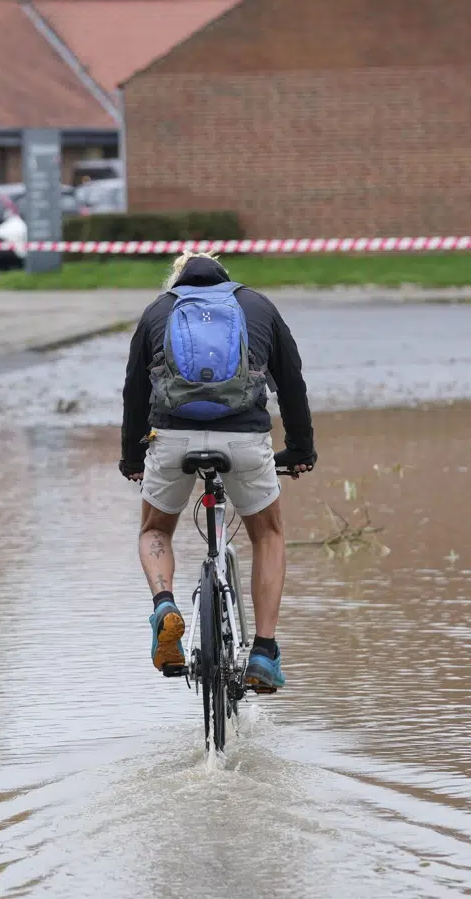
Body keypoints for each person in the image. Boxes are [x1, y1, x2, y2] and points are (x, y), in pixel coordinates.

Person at [120, 252, 316, 692]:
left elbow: (135, 392)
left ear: (177, 280)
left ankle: (165, 606)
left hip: (172, 439)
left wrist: (133, 459)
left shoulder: (158, 310)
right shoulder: (258, 306)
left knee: (155, 530)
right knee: (267, 534)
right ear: (227, 277)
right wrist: (301, 449)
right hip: (243, 441)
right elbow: (292, 383)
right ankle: (264, 651)